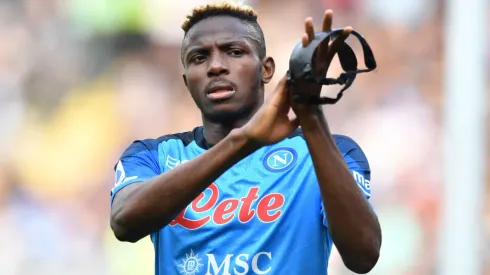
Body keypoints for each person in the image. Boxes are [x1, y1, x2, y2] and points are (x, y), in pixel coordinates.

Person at [109, 2, 381, 275]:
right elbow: (124, 223)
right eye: (199, 58)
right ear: (186, 81)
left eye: (235, 52)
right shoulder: (153, 155)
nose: (215, 66)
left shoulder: (332, 153)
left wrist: (310, 115)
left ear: (266, 70)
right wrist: (245, 141)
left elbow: (363, 255)